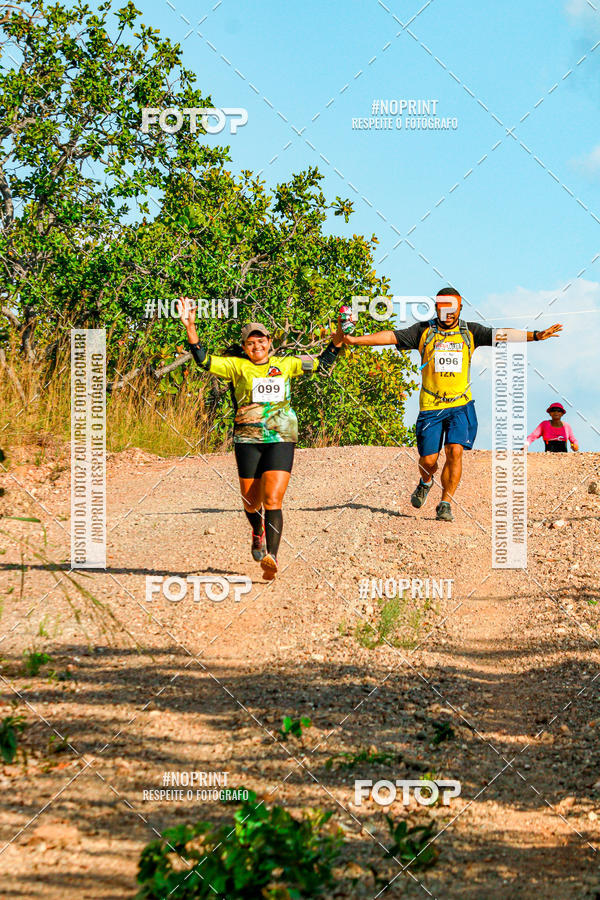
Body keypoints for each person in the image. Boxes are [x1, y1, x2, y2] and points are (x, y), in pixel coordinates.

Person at [342, 287, 562, 522]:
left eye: (454, 307)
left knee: (455, 451)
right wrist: (355, 340)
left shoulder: (471, 331)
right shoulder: (423, 331)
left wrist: (536, 335)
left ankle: (445, 503)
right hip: (431, 406)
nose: (449, 311)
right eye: (444, 306)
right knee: (428, 461)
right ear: (436, 308)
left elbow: (502, 334)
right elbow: (390, 336)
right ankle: (426, 482)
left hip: (461, 405)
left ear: (460, 308)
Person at [178, 298, 343, 579]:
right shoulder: (235, 367)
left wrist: (341, 333)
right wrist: (190, 327)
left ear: (270, 342)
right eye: (251, 343)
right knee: (251, 503)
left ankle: (272, 557)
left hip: (281, 436)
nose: (257, 346)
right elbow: (203, 360)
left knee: (273, 499)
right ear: (245, 347)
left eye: (262, 340)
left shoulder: (288, 363)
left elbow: (325, 359)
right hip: (247, 438)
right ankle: (257, 529)